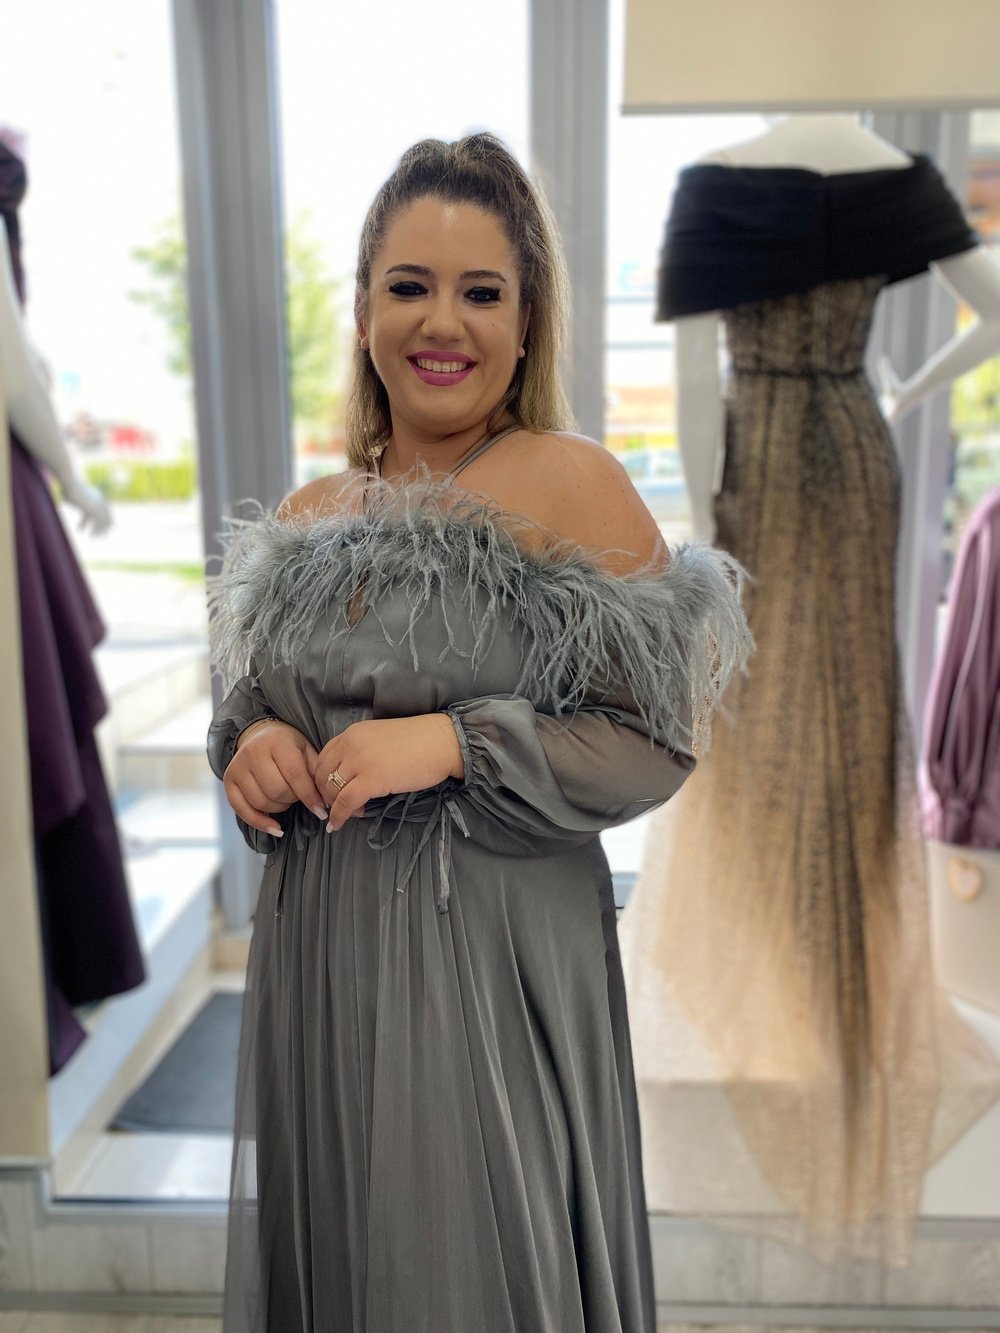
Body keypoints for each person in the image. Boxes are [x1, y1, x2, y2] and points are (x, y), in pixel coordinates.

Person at [208, 133, 750, 1333]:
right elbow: (251, 706)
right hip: (321, 970)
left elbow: (653, 739)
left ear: (526, 320)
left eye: (481, 292)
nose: (441, 322)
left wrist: (457, 742)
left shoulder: (569, 482)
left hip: (487, 977)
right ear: (363, 313)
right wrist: (250, 747)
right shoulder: (308, 515)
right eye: (409, 286)